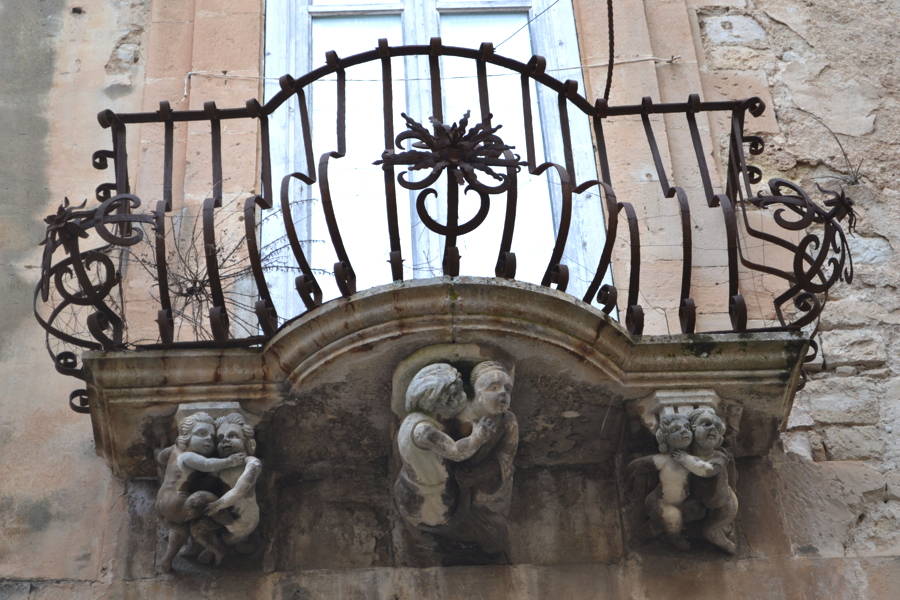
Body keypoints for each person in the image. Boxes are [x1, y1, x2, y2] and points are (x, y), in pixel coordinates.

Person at [394, 363, 496, 529]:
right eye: (456, 395)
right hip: (428, 501)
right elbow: (456, 452)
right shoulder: (425, 431)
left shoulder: (411, 420)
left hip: (407, 486)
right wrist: (479, 436)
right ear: (439, 400)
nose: (462, 398)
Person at [154, 412, 245, 571]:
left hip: (162, 503)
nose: (209, 438)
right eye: (201, 433)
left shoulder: (175, 450)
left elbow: (161, 458)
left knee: (179, 528)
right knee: (206, 498)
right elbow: (207, 464)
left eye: (212, 436)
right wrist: (230, 461)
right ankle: (235, 527)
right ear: (186, 436)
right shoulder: (188, 456)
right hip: (178, 501)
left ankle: (167, 560)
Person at [688, 407, 738, 554]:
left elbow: (707, 471)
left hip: (725, 505)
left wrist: (684, 459)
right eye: (706, 424)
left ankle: (730, 547)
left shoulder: (719, 456)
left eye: (717, 426)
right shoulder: (684, 455)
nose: (713, 429)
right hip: (699, 502)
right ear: (691, 430)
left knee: (710, 532)